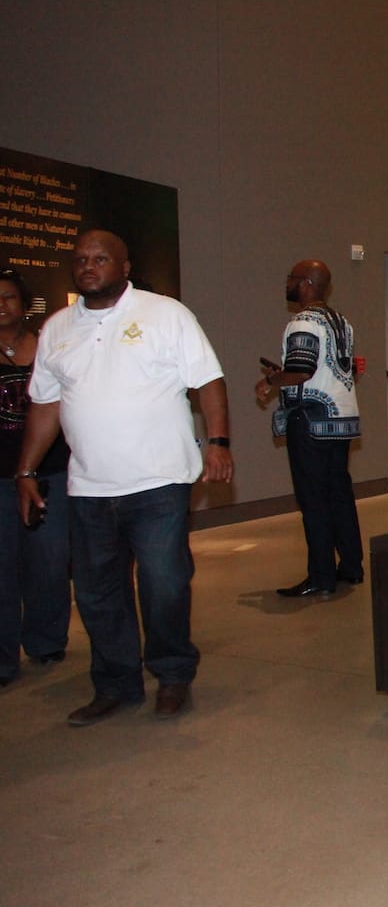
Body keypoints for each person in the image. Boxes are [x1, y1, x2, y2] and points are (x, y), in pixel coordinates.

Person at [16, 230, 233, 725]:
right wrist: (25, 470)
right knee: (96, 592)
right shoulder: (56, 328)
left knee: (164, 583)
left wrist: (217, 443)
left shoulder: (165, 314)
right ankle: (116, 683)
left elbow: (208, 381)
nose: (88, 267)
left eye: (99, 259)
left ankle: (173, 674)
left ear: (124, 265)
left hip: (158, 481)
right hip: (89, 487)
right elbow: (47, 404)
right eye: (80, 260)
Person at [256, 260, 364, 598]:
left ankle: (321, 575)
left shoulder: (302, 322)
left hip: (312, 421)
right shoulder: (341, 322)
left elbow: (301, 370)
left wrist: (272, 379)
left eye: (290, 279)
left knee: (314, 499)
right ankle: (351, 567)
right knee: (339, 494)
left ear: (305, 283)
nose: (286, 284)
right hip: (342, 420)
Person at [0, 269, 71, 687]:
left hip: (50, 471)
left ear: (24, 305)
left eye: (9, 297)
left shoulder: (47, 348)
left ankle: (46, 641)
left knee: (48, 561)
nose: (2, 305)